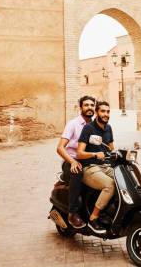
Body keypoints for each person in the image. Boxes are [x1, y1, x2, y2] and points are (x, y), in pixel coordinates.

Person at [56, 95, 95, 228]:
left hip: (88, 160)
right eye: (86, 105)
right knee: (77, 172)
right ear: (81, 108)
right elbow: (60, 148)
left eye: (92, 105)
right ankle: (72, 213)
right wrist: (72, 161)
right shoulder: (73, 124)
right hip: (71, 160)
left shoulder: (94, 125)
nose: (89, 107)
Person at [77, 101, 115, 233]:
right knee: (110, 185)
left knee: (123, 180)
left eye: (108, 111)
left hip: (105, 166)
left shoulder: (108, 128)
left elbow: (111, 149)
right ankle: (93, 218)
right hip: (90, 167)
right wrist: (94, 154)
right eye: (103, 111)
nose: (106, 114)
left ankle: (111, 212)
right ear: (97, 112)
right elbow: (79, 153)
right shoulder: (89, 128)